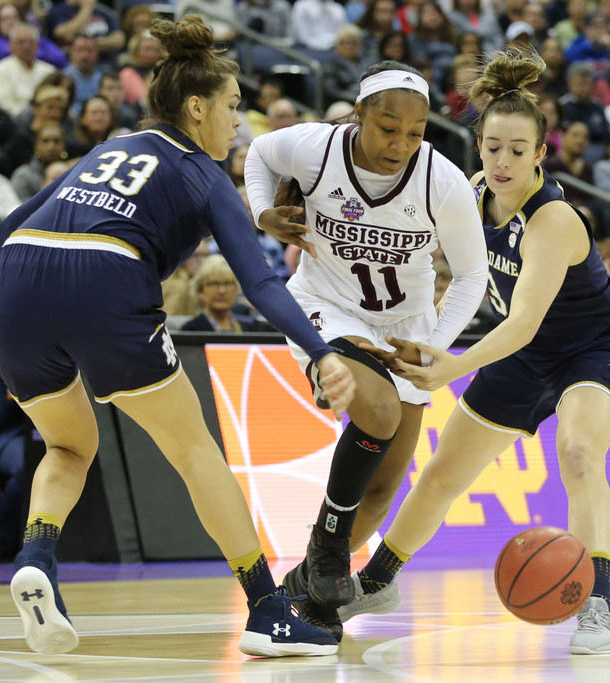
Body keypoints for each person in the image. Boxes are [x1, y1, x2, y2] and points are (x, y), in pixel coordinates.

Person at [0, 15, 354, 658]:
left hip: (14, 280)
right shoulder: (204, 173)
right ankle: (267, 610)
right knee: (195, 450)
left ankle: (37, 555)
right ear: (197, 107)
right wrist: (320, 353)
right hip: (104, 280)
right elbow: (261, 284)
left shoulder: (110, 148)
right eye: (233, 106)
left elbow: (16, 219)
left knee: (68, 445)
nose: (239, 124)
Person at [342, 48, 610, 656]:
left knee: (579, 454)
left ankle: (597, 604)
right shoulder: (473, 192)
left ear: (540, 154)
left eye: (517, 150)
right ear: (478, 147)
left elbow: (524, 323)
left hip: (592, 349)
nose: (503, 161)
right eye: (493, 147)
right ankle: (376, 582)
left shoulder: (553, 219)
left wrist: (453, 364)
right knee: (442, 474)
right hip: (524, 354)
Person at [244, 60, 488, 640]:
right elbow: (258, 154)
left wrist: (432, 347)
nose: (400, 144)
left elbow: (472, 275)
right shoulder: (316, 148)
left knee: (378, 495)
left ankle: (307, 588)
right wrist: (262, 213)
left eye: (415, 132)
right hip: (325, 306)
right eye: (387, 128)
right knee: (376, 410)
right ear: (358, 115)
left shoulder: (442, 180)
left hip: (406, 324)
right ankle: (328, 556)